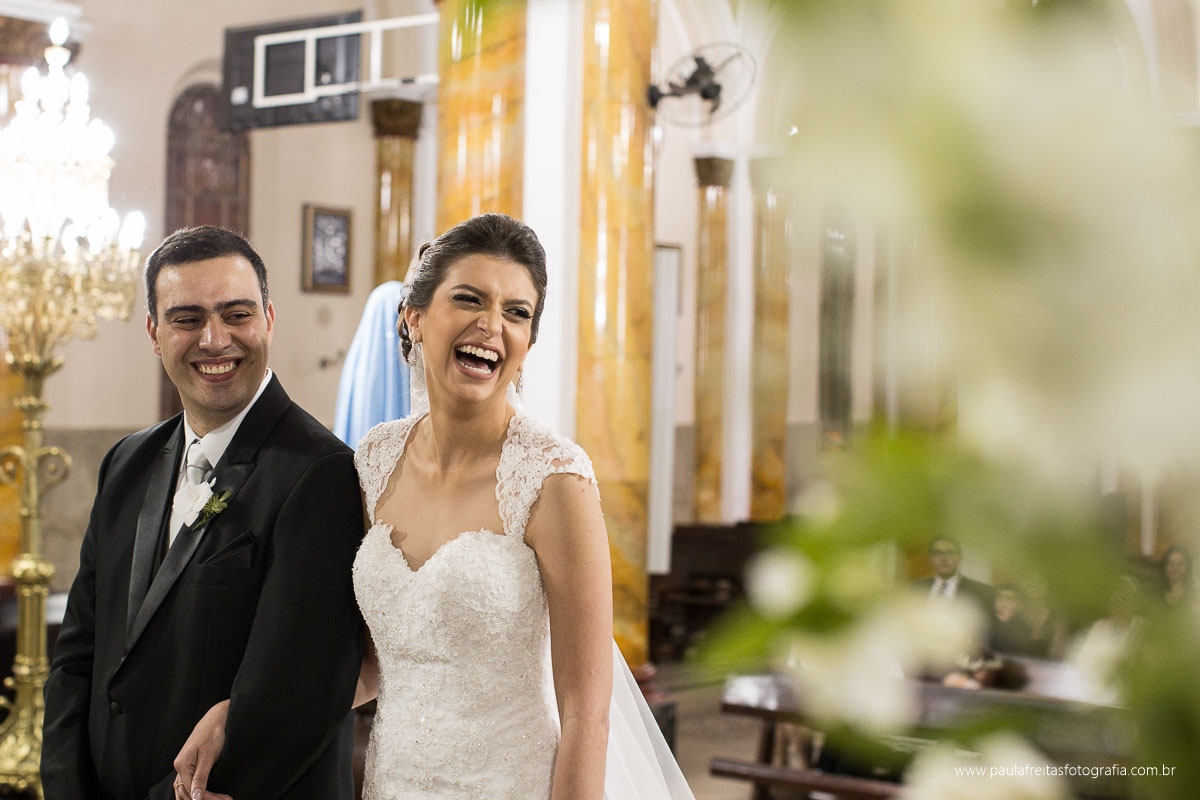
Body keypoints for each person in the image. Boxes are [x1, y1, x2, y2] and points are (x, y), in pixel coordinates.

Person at [175, 214, 694, 800]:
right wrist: (242, 716)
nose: (491, 325)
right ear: (414, 317)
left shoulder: (554, 479)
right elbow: (370, 663)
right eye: (469, 299)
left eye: (516, 313)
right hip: (392, 781)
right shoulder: (374, 459)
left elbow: (585, 713)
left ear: (528, 342)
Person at [42, 227, 366, 800]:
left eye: (236, 314)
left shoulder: (320, 474)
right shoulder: (127, 462)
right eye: (187, 319)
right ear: (154, 331)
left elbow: (297, 693)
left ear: (269, 317)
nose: (214, 340)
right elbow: (78, 656)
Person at [916, 536, 995, 614]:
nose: (944, 558)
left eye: (950, 553)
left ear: (959, 557)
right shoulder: (916, 588)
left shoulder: (979, 591)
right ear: (931, 558)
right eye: (938, 553)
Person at [1158, 544, 1194, 609]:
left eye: (1180, 564)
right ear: (1165, 566)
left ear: (1187, 567)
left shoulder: (1193, 595)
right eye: (1170, 563)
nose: (1174, 568)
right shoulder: (1155, 590)